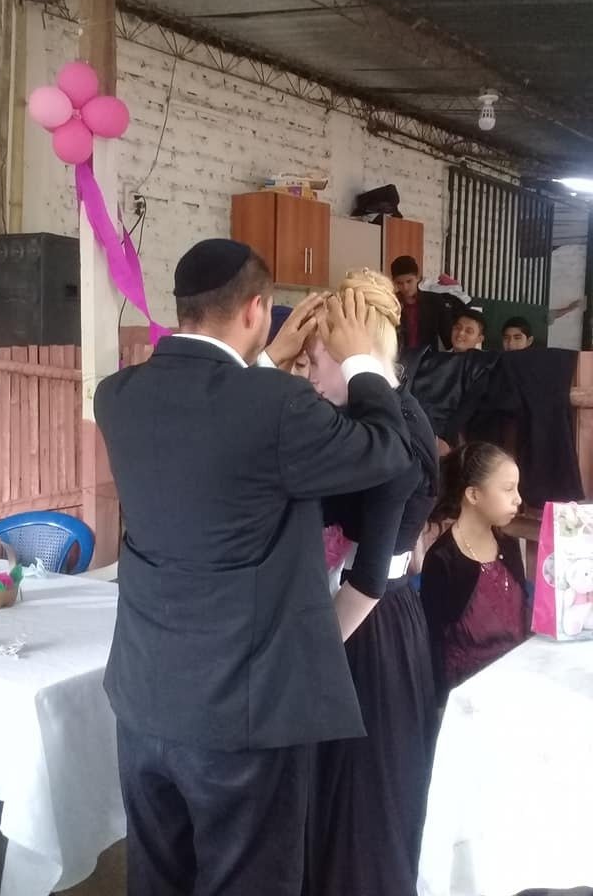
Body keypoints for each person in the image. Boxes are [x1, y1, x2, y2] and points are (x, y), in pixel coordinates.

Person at [94, 239, 414, 896]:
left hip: (146, 701)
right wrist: (361, 359)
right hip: (244, 718)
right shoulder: (277, 405)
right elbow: (386, 451)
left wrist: (264, 360)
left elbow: (219, 425)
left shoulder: (118, 396)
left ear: (183, 308)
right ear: (257, 308)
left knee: (157, 879)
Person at [303, 268, 438, 896]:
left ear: (351, 353)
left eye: (316, 361)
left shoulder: (389, 432)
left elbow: (370, 579)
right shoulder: (391, 410)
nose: (310, 376)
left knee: (361, 793)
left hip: (365, 627)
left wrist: (310, 653)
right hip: (376, 615)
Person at [420, 442, 528, 705]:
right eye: (508, 489)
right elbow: (433, 643)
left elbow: (521, 619)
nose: (518, 499)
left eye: (517, 488)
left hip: (519, 682)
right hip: (467, 697)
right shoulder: (442, 559)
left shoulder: (510, 546)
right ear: (474, 495)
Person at [391, 255, 463, 352]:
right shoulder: (390, 303)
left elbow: (447, 338)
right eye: (399, 283)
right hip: (398, 356)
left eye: (409, 281)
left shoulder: (434, 301)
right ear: (394, 282)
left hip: (428, 357)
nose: (405, 287)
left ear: (418, 277)